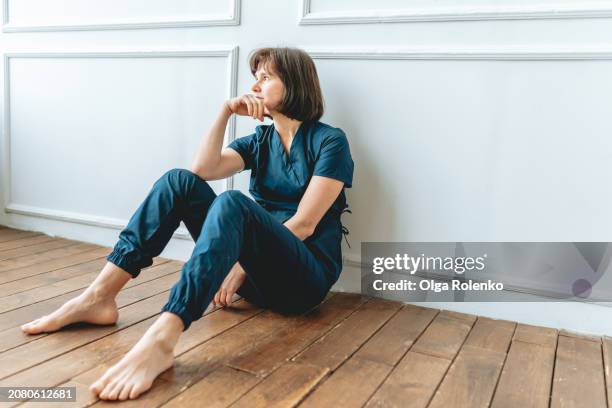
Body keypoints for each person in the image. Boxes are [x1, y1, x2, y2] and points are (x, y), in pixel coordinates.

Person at [20, 47, 354, 401]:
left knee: (232, 202)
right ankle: (100, 296)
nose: (255, 86)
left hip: (303, 281)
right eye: (254, 78)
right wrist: (224, 111)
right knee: (178, 180)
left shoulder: (330, 141)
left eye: (266, 77)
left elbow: (304, 223)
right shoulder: (260, 141)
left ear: (296, 84)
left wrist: (239, 263)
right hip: (258, 279)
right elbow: (202, 171)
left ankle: (165, 335)